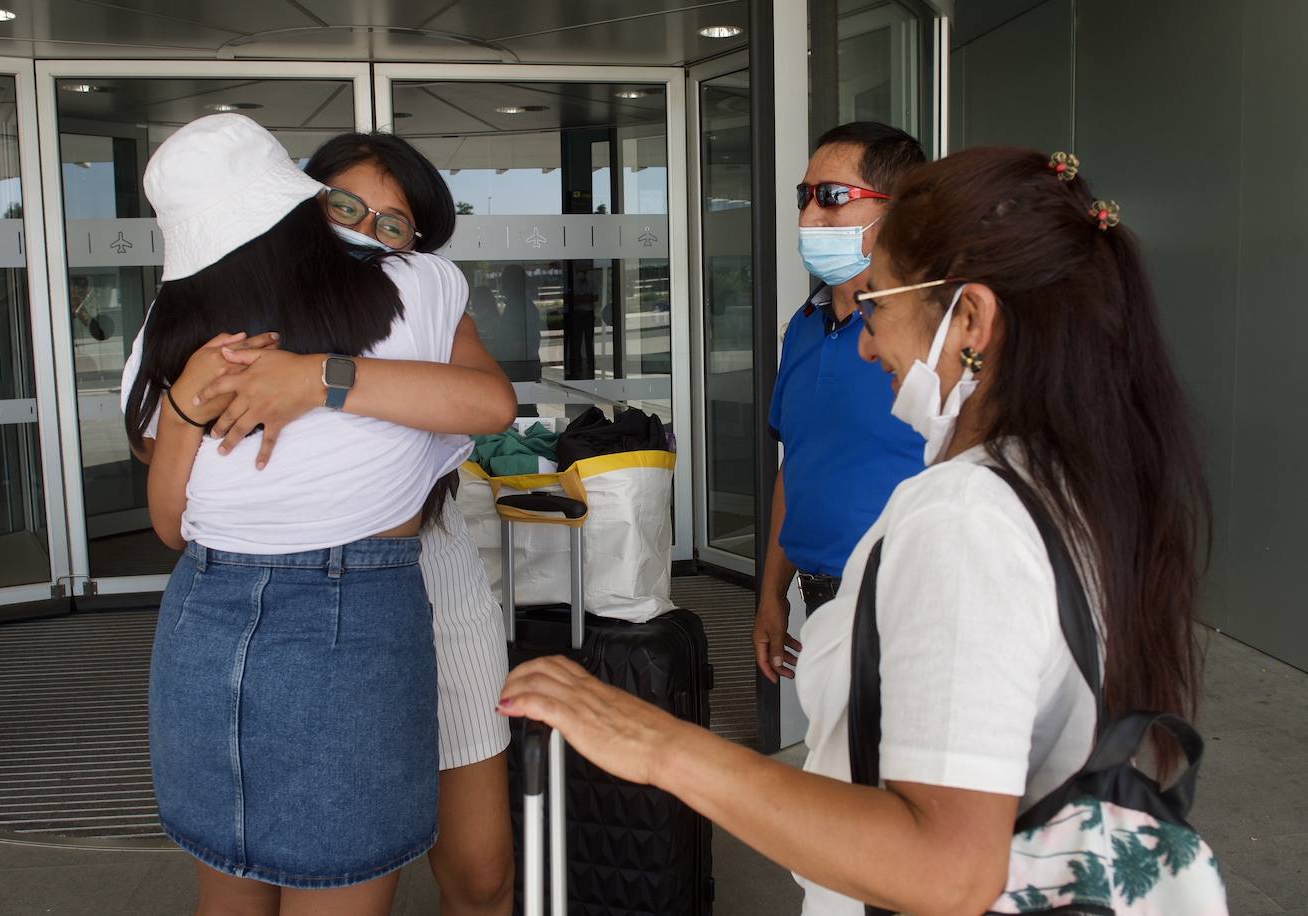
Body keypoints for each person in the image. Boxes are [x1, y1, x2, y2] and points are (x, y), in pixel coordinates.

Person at [499, 146, 1209, 915]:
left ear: (970, 318)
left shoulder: (966, 516)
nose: (867, 340)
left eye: (877, 305)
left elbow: (945, 868)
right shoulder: (1065, 477)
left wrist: (657, 743)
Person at [121, 114, 515, 916]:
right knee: (249, 874)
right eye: (345, 208)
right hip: (240, 587)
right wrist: (192, 408)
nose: (368, 234)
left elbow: (488, 403)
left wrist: (318, 377)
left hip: (414, 570)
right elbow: (179, 519)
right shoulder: (202, 322)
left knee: (475, 869)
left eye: (394, 225)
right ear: (303, 203)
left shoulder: (425, 292)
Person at [753, 122, 926, 685]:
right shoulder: (802, 329)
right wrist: (772, 594)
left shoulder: (937, 336)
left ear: (896, 211)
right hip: (822, 595)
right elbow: (796, 465)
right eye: (804, 196)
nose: (808, 217)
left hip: (911, 598)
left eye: (831, 197)